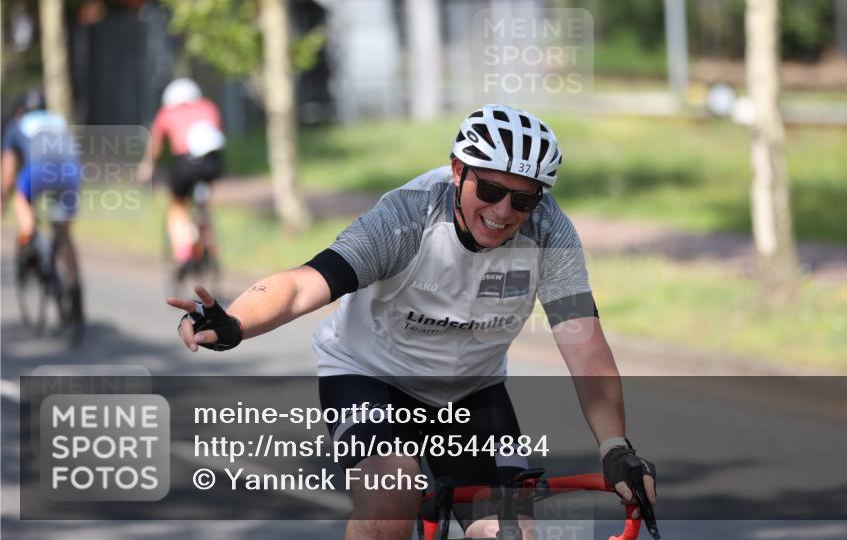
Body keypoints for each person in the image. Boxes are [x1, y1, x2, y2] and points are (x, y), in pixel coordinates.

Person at [170, 104, 656, 539]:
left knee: (512, 532)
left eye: (523, 199)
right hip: (370, 375)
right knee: (391, 498)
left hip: (470, 389)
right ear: (457, 171)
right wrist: (234, 322)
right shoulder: (408, 218)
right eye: (489, 189)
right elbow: (304, 284)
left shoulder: (550, 232)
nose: (503, 211)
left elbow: (586, 348)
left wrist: (615, 445)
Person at [138, 78, 225, 276]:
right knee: (204, 204)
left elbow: (156, 144)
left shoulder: (168, 112)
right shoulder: (208, 107)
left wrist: (148, 165)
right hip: (212, 163)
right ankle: (209, 247)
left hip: (184, 164)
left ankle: (184, 254)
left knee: (178, 206)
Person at [1, 88, 81, 270]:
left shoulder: (17, 124)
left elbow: (8, 169)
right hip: (71, 170)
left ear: (20, 111)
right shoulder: (59, 121)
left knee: (21, 201)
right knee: (64, 231)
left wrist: (3, 198)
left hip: (38, 169)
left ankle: (29, 235)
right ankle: (74, 285)